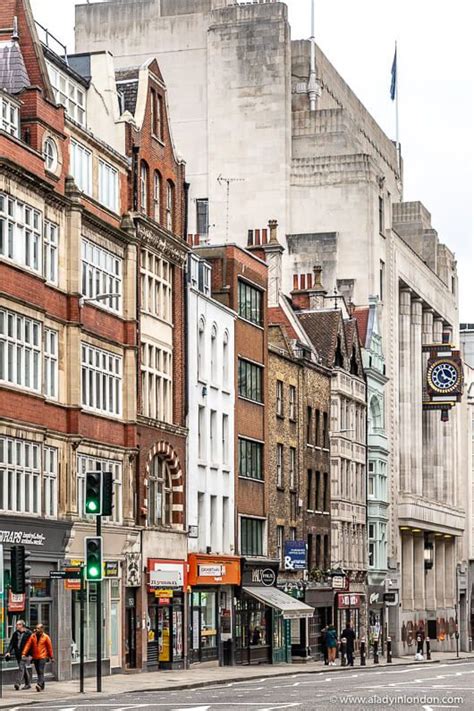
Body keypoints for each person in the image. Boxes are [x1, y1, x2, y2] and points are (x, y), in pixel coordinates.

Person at [22, 624, 54, 692]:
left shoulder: (46, 637)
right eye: (36, 628)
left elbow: (49, 648)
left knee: (41, 671)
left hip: (42, 657)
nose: (36, 629)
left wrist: (51, 657)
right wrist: (24, 653)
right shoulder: (33, 636)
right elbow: (28, 645)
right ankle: (42, 685)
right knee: (38, 672)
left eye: (38, 628)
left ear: (42, 629)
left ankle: (39, 684)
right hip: (35, 657)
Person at [5, 620, 33, 690]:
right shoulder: (15, 633)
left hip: (25, 654)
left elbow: (33, 645)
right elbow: (12, 643)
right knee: (23, 668)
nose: (16, 626)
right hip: (18, 654)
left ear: (22, 625)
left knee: (21, 668)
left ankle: (17, 683)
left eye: (18, 624)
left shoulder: (29, 633)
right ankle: (28, 684)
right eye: (17, 624)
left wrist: (31, 654)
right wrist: (8, 652)